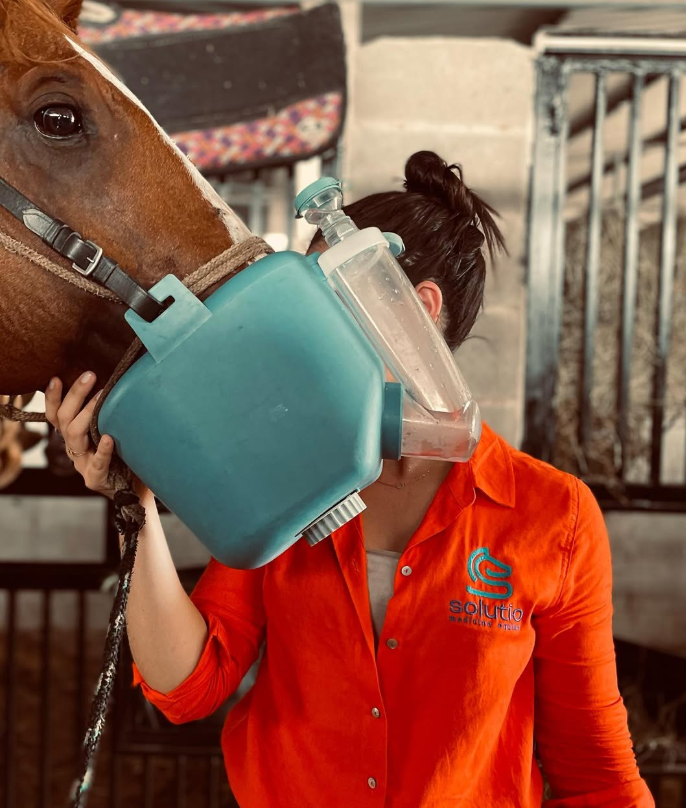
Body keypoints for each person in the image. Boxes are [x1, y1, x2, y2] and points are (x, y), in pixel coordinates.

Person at [45, 151, 654, 808]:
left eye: (315, 305)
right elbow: (188, 687)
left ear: (412, 309)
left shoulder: (552, 514)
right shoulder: (282, 468)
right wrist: (133, 503)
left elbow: (597, 774)